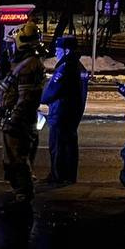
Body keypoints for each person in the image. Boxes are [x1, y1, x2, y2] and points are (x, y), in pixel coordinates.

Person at [0, 22, 47, 212]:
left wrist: (14, 119)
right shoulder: (26, 63)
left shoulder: (30, 65)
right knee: (13, 157)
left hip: (19, 120)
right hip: (17, 117)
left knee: (17, 158)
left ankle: (23, 196)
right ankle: (20, 193)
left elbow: (26, 98)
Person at [41, 34, 88, 184]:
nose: (56, 52)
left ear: (67, 51)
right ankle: (68, 176)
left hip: (61, 112)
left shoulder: (66, 68)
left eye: (58, 49)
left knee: (58, 145)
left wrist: (41, 98)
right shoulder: (80, 67)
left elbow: (53, 89)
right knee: (70, 145)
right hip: (73, 112)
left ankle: (58, 176)